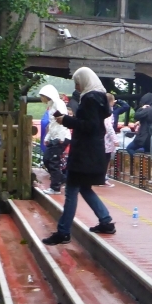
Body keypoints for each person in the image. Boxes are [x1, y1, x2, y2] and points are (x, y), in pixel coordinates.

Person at [42, 68, 115, 244]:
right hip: (92, 151)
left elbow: (89, 125)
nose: (76, 86)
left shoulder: (89, 99)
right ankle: (105, 221)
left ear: (84, 80)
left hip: (84, 152)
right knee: (84, 188)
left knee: (71, 190)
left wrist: (66, 120)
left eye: (77, 82)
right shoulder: (100, 99)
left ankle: (64, 231)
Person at [38, 84, 70, 194]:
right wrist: (48, 137)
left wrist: (60, 137)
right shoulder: (51, 105)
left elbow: (62, 120)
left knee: (53, 161)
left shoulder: (58, 104)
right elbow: (52, 124)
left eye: (42, 96)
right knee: (47, 159)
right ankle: (62, 179)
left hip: (61, 136)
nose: (41, 98)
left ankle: (55, 187)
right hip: (54, 136)